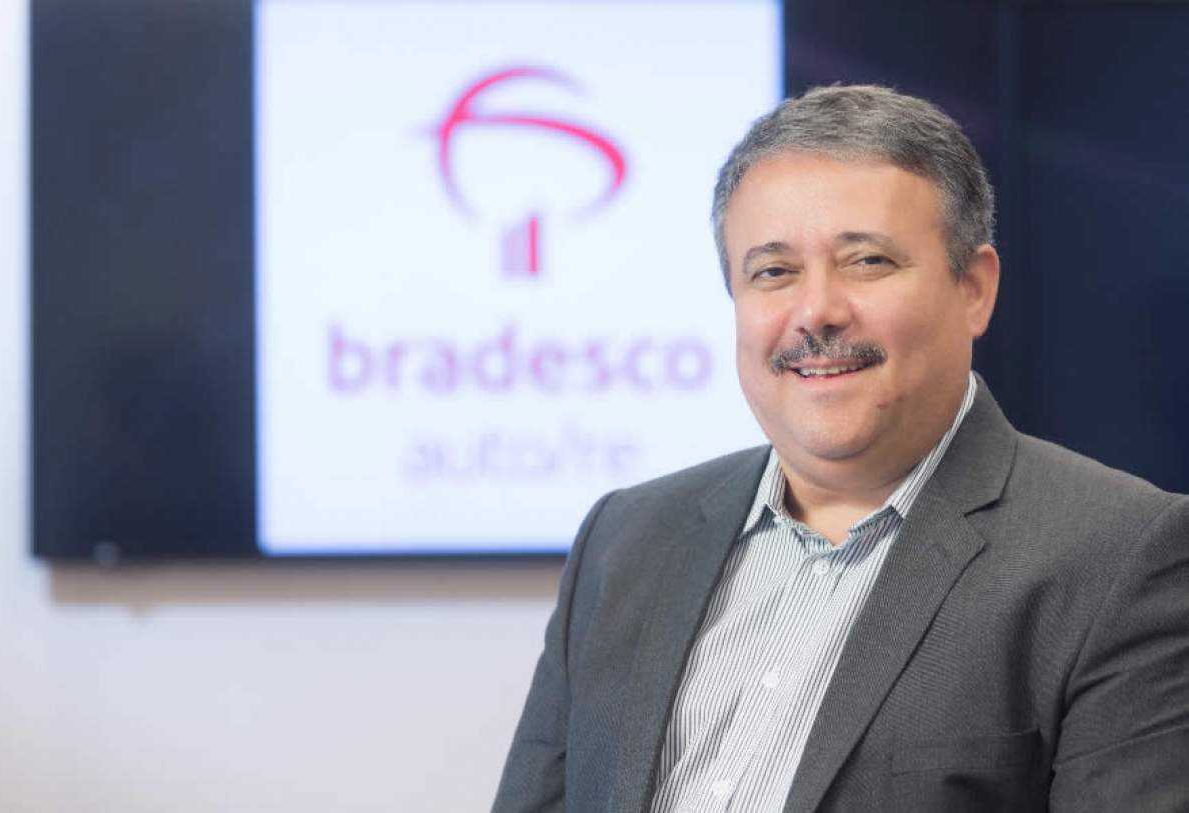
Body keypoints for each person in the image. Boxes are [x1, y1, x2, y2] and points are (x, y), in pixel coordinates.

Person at [492, 85, 1189, 812]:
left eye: (867, 261)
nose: (817, 311)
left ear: (974, 290)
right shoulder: (626, 540)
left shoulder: (1120, 558)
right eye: (773, 271)